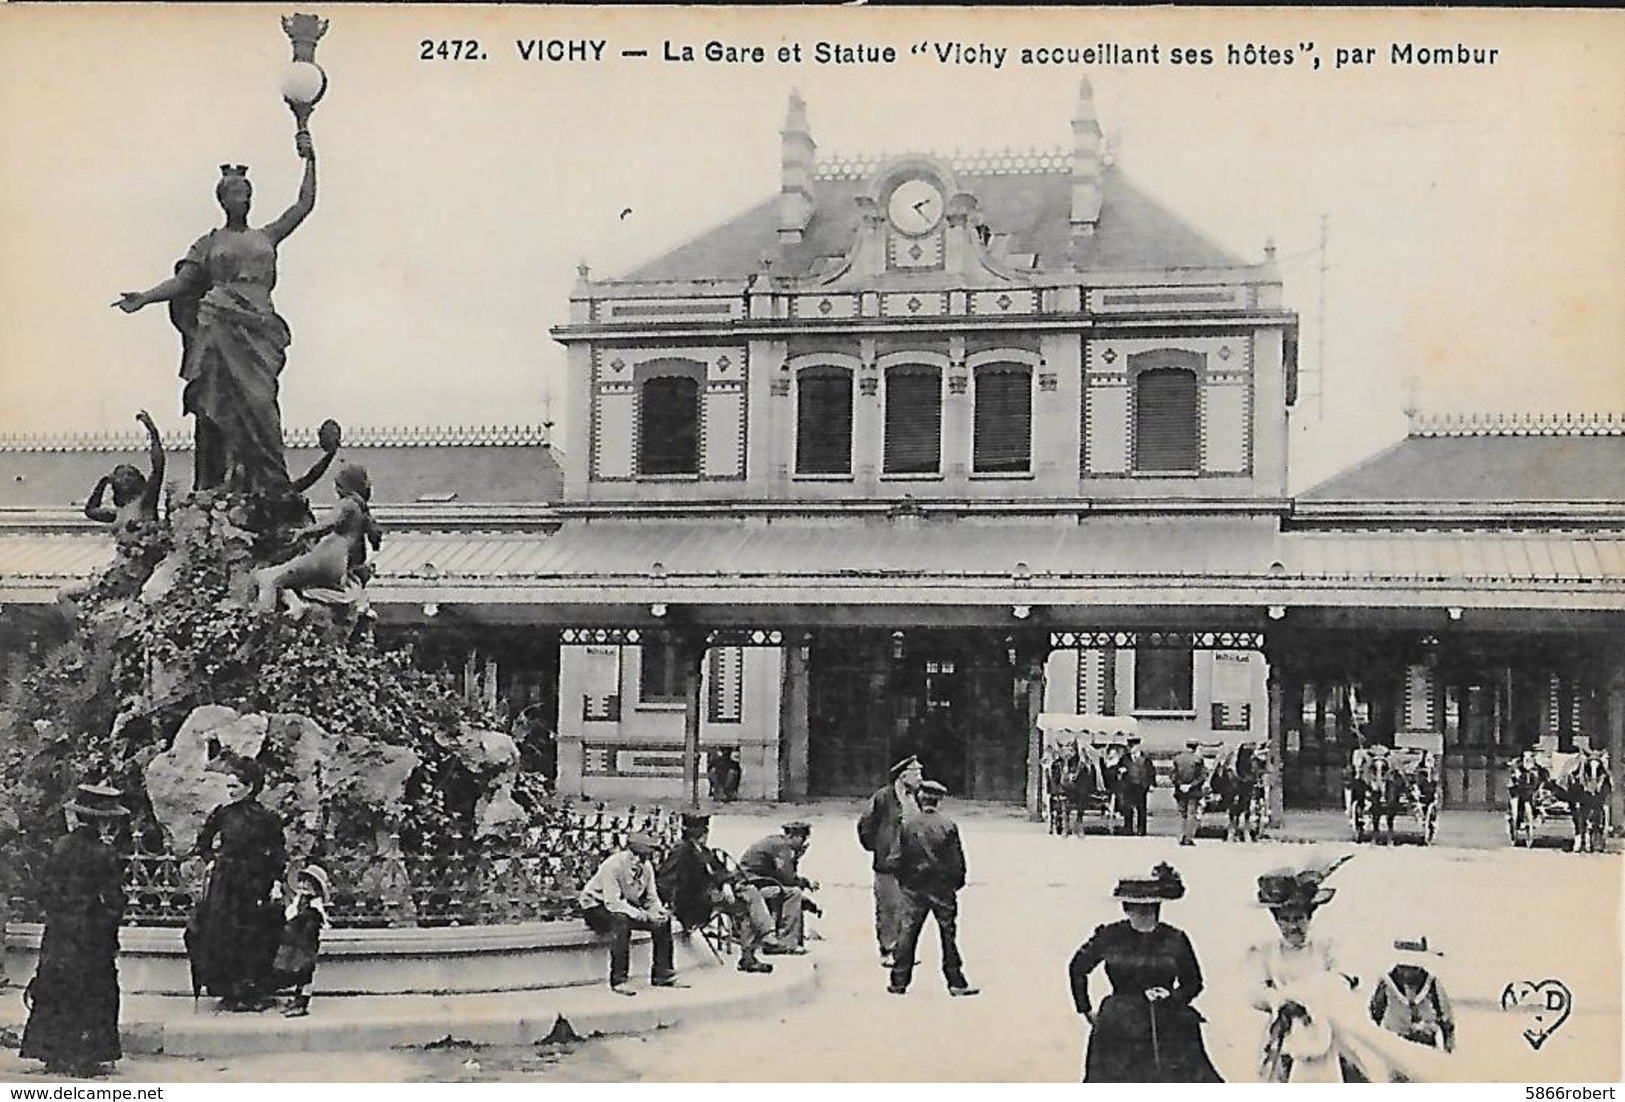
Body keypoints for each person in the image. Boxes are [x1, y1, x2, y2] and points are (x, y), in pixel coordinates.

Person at [112, 129, 318, 496]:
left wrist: (310, 159)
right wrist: (144, 297)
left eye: (247, 193)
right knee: (217, 406)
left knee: (262, 405)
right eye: (236, 193)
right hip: (219, 326)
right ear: (222, 200)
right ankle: (221, 483)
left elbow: (303, 205)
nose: (244, 198)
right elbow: (184, 282)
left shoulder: (266, 236)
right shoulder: (209, 243)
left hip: (259, 328)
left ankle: (269, 485)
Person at [1247, 855, 1446, 1082]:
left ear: (1309, 917)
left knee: (1354, 1072)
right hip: (1286, 1030)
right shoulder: (1264, 952)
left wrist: (1309, 996)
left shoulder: (1326, 946)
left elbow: (1343, 976)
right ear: (1277, 921)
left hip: (1331, 1028)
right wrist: (1279, 1002)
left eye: (1300, 918)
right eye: (1287, 919)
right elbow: (1255, 992)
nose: (1294, 926)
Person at [1068, 862, 1221, 1082]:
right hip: (1120, 1021)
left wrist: (1173, 996)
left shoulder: (1175, 938)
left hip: (1167, 1018)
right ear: (1126, 908)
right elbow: (1077, 968)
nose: (1145, 915)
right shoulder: (1110, 936)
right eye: (1138, 909)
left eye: (1151, 908)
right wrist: (1086, 1009)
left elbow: (1194, 982)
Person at [19, 784, 129, 1078]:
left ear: (78, 818)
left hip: (61, 930)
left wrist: (60, 914)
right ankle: (87, 1055)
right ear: (104, 822)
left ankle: (54, 1052)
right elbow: (114, 899)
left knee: (57, 984)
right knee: (94, 989)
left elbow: (43, 891)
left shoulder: (59, 847)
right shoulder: (105, 853)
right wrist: (109, 925)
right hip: (92, 932)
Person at [186, 756, 288, 1012]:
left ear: (250, 787)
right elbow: (203, 843)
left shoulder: (267, 818)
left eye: (235, 787)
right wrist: (211, 862)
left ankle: (252, 989)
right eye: (228, 787)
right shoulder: (223, 813)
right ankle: (229, 989)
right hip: (226, 882)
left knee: (253, 934)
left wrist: (275, 880)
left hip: (255, 881)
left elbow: (277, 853)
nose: (230, 791)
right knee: (224, 933)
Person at [252, 462, 382, 615]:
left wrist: (304, 532)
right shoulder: (362, 511)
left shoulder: (347, 504)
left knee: (265, 578)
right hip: (339, 564)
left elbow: (330, 523)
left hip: (325, 557)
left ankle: (262, 621)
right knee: (287, 579)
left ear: (343, 486)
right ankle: (296, 603)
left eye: (337, 485)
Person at [656, 812, 776, 974]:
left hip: (712, 897)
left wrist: (725, 883)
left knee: (748, 904)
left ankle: (749, 957)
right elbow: (665, 880)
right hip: (693, 902)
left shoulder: (704, 851)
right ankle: (766, 935)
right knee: (750, 896)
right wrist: (668, 904)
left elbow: (724, 872)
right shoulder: (681, 852)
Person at [888, 780, 977, 998]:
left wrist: (905, 881)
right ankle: (956, 982)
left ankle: (899, 982)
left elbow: (895, 859)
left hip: (913, 888)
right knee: (948, 936)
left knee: (907, 933)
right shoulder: (948, 825)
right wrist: (954, 884)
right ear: (939, 800)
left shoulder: (908, 824)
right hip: (942, 888)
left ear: (920, 798)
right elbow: (958, 863)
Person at [579, 833, 683, 996]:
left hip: (625, 907)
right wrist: (642, 915)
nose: (643, 858)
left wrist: (657, 912)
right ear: (631, 852)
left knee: (662, 922)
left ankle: (663, 974)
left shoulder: (646, 867)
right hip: (596, 908)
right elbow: (612, 903)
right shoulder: (613, 866)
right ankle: (619, 980)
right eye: (640, 854)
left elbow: (651, 897)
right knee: (621, 923)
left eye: (646, 855)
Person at [857, 754, 922, 968]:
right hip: (887, 862)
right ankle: (887, 949)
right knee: (888, 907)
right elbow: (866, 825)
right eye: (916, 772)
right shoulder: (883, 797)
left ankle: (903, 950)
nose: (920, 776)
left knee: (907, 907)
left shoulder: (917, 797)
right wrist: (879, 847)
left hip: (911, 863)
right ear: (904, 775)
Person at [739, 821, 819, 955]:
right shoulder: (783, 848)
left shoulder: (777, 842)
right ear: (793, 837)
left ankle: (784, 936)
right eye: (803, 838)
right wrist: (806, 883)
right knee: (794, 894)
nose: (804, 842)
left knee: (789, 893)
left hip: (754, 882)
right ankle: (787, 942)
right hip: (751, 885)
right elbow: (787, 878)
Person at [1368, 937, 1456, 1052]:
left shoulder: (1431, 982)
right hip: (1408, 1045)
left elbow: (1375, 1014)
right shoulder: (1430, 982)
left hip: (1404, 1044)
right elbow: (1445, 1019)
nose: (1408, 973)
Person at [266, 864, 330, 1017]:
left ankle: (302, 1003)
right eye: (301, 882)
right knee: (298, 971)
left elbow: (312, 926)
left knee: (305, 973)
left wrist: (301, 927)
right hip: (296, 942)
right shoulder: (300, 902)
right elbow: (291, 914)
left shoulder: (314, 909)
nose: (303, 886)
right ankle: (297, 999)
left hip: (305, 944)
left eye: (307, 883)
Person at [1170, 739, 1207, 846]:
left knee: (1182, 814)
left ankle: (1180, 836)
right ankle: (1188, 838)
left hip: (1180, 790)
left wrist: (1180, 784)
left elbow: (1172, 775)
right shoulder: (1198, 759)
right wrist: (1191, 785)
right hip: (1193, 791)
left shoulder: (1177, 758)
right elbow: (1202, 776)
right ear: (1195, 747)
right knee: (1191, 814)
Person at [1117, 736, 1155, 836]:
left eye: (1133, 746)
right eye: (1130, 746)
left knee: (1141, 808)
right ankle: (1128, 829)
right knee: (1127, 808)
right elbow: (1118, 768)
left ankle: (1141, 830)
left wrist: (1151, 784)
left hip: (1141, 786)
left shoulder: (1145, 759)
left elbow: (1151, 772)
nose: (1131, 748)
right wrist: (1121, 770)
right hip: (1128, 786)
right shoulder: (1125, 758)